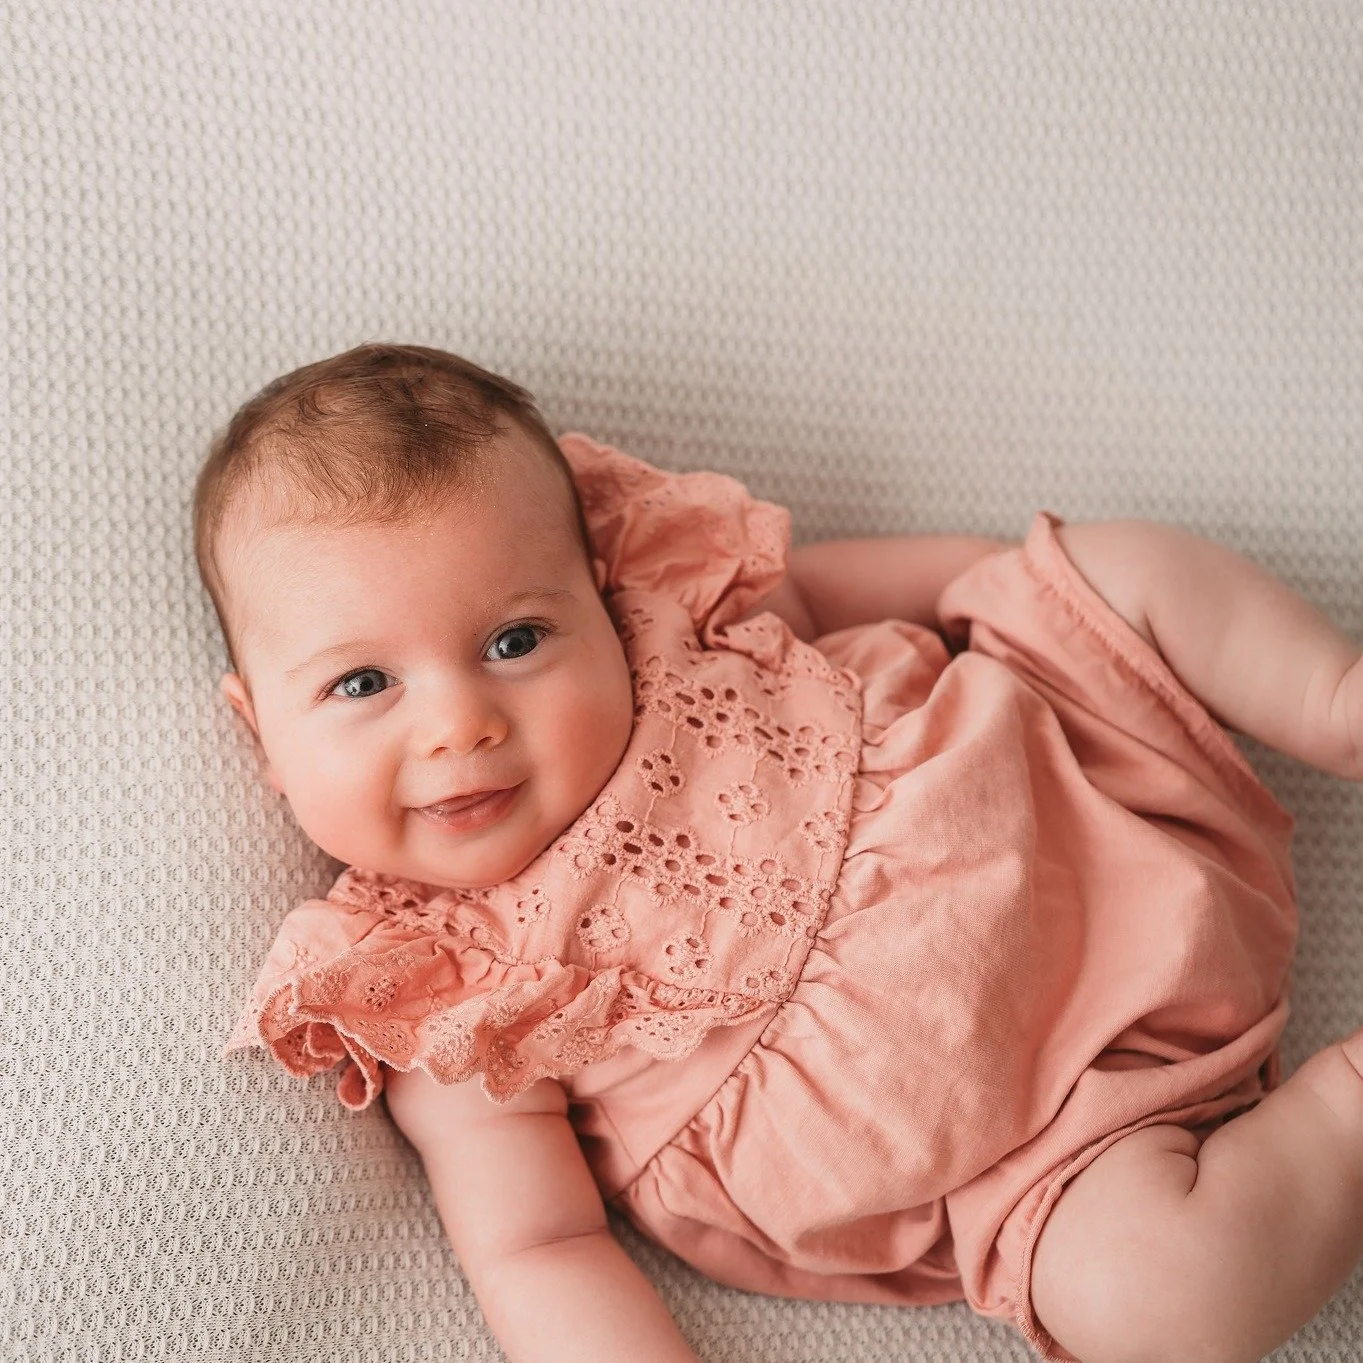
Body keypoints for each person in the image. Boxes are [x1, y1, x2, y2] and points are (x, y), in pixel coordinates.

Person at [203, 341, 1363, 1363]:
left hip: (1096, 770)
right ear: (262, 733)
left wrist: (1016, 590)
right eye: (363, 682)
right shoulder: (448, 990)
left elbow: (946, 587)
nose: (459, 720)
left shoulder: (670, 624)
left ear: (597, 596)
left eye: (515, 638)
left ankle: (1336, 697)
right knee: (1158, 1299)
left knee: (1110, 572)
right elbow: (537, 1244)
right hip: (1063, 1145)